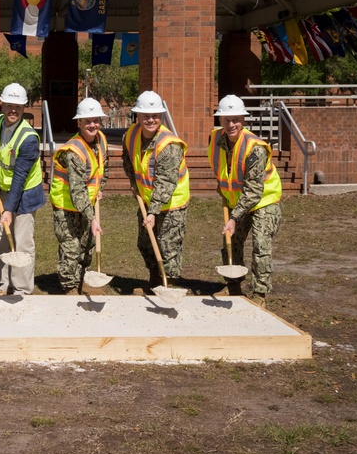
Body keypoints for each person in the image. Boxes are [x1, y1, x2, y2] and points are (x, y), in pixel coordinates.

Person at [207, 94, 283, 307]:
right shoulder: (215, 139)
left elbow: (253, 191)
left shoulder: (255, 148)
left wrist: (233, 218)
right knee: (231, 242)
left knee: (260, 243)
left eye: (236, 119)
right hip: (236, 201)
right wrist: (222, 187)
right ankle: (233, 287)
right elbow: (222, 167)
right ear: (220, 120)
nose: (231, 124)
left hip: (264, 201)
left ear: (243, 119)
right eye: (226, 120)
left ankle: (259, 294)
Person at [121, 90, 190, 291]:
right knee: (145, 243)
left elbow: (166, 181)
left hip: (172, 203)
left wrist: (153, 212)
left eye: (155, 116)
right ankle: (154, 281)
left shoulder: (169, 145)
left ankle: (169, 286)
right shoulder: (131, 134)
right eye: (146, 116)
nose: (151, 120)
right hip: (146, 199)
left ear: (161, 116)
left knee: (169, 246)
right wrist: (132, 180)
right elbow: (127, 157)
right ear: (138, 116)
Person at [0, 82, 44, 295]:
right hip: (3, 190)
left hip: (25, 195)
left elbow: (20, 177)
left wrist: (9, 210)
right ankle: (4, 283)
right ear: (2, 105)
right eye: (9, 105)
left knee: (21, 243)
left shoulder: (28, 138)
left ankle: (21, 288)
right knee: (2, 238)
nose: (13, 110)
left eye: (18, 106)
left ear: (24, 108)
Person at [50, 97, 108, 294]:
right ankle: (70, 286)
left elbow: (103, 169)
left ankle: (85, 280)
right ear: (79, 123)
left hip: (86, 203)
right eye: (88, 121)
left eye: (96, 120)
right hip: (66, 204)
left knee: (87, 243)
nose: (93, 125)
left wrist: (100, 188)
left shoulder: (101, 141)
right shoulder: (74, 151)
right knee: (70, 246)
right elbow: (77, 189)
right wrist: (92, 218)